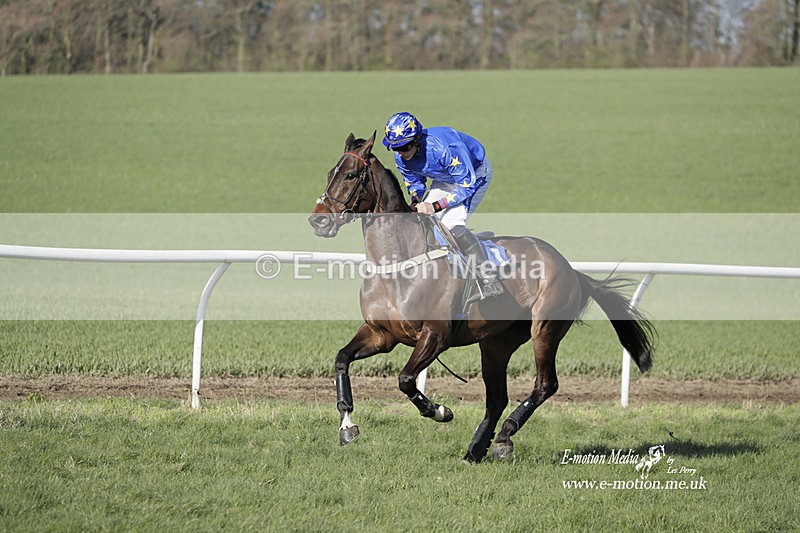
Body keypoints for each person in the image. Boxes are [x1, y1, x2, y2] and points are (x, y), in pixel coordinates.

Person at [382, 111, 503, 299]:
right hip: (443, 179)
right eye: (395, 148)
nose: (401, 153)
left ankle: (489, 278)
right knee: (422, 223)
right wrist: (416, 201)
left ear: (416, 141)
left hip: (474, 176)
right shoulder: (402, 158)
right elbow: (415, 183)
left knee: (451, 225)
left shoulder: (445, 148)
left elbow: (466, 186)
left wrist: (435, 206)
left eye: (405, 147)